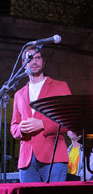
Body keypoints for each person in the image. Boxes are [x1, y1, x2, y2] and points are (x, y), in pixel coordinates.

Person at [10, 45, 71, 182]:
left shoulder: (60, 87)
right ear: (24, 65)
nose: (34, 62)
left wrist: (42, 124)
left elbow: (69, 120)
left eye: (38, 58)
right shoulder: (19, 94)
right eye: (30, 59)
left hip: (53, 157)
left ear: (43, 62)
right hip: (27, 161)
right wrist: (21, 129)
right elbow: (14, 126)